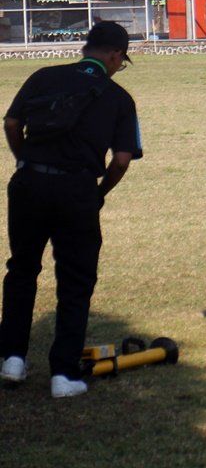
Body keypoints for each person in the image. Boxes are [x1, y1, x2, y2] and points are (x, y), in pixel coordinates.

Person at [0, 22, 142, 397]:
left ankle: (12, 358)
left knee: (22, 269)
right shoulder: (119, 98)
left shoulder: (43, 76)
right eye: (120, 62)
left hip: (29, 183)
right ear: (114, 55)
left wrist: (24, 159)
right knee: (76, 281)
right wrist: (100, 191)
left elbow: (12, 122)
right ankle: (63, 374)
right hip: (77, 190)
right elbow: (123, 160)